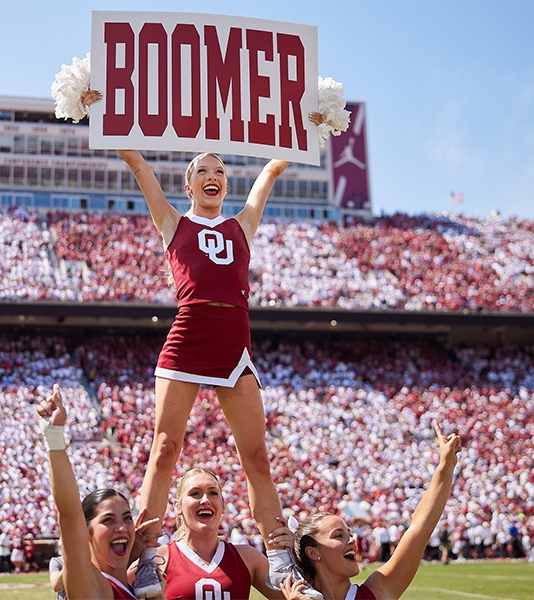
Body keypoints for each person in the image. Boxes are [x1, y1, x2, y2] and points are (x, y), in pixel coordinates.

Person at [82, 88, 323, 599]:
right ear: (189, 184)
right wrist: (98, 107)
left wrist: (310, 124)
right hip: (187, 339)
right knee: (165, 449)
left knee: (255, 456)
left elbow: (274, 169)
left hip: (235, 346)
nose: (213, 177)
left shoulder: (241, 226)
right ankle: (149, 559)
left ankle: (280, 557)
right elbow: (135, 161)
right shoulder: (175, 223)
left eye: (220, 172)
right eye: (203, 171)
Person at [279, 422, 462, 600]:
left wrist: (445, 466)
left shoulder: (377, 592)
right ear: (312, 552)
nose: (351, 540)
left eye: (349, 534)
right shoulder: (295, 596)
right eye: (338, 536)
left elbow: (419, 529)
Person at [36, 383, 161, 599]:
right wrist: (55, 438)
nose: (121, 527)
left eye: (127, 518)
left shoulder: (137, 588)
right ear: (86, 533)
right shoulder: (94, 588)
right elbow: (69, 514)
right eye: (108, 520)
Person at [151, 467, 294, 600]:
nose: (205, 500)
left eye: (213, 493)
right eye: (195, 493)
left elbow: (297, 596)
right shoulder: (158, 559)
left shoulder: (248, 558)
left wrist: (295, 554)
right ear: (177, 506)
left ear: (223, 505)